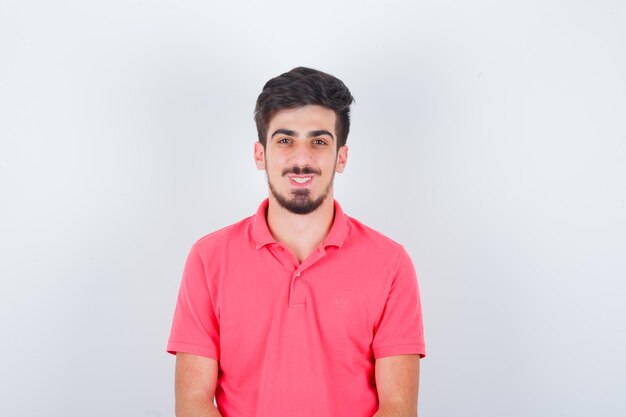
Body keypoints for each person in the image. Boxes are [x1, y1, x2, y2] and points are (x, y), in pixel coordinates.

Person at [166, 66, 426, 417]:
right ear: (260, 154)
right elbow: (194, 403)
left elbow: (397, 407)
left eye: (319, 141)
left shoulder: (391, 263)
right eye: (285, 140)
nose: (301, 159)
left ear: (342, 157)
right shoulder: (208, 258)